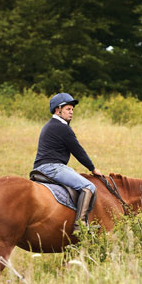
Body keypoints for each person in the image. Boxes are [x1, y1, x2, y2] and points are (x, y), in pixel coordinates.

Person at [32, 92, 101, 232]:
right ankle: (80, 225)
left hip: (42, 167)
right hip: (52, 167)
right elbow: (78, 151)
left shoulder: (50, 125)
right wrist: (92, 168)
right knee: (88, 186)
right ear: (58, 110)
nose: (71, 112)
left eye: (72, 109)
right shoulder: (62, 128)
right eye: (68, 109)